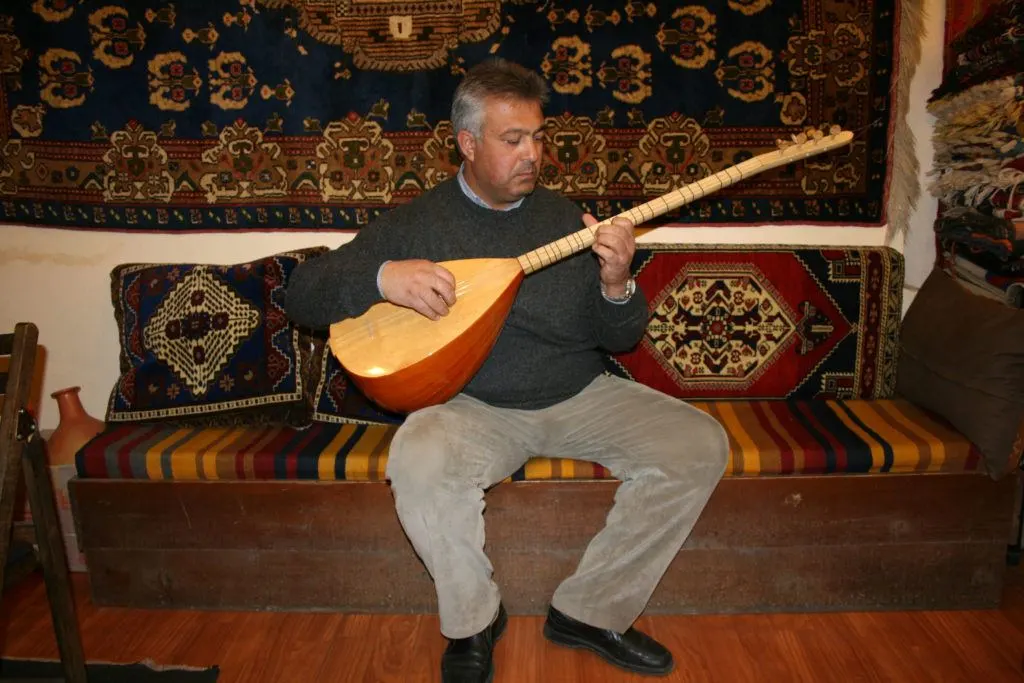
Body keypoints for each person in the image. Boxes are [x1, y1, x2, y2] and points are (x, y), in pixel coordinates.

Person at [285, 57, 729, 683]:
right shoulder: (416, 224)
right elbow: (302, 296)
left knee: (698, 444)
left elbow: (620, 340)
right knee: (418, 460)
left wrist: (616, 281)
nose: (532, 154)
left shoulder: (564, 219)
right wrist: (385, 277)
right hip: (476, 407)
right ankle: (474, 622)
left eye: (539, 138)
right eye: (512, 139)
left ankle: (589, 612)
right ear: (467, 144)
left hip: (579, 393)